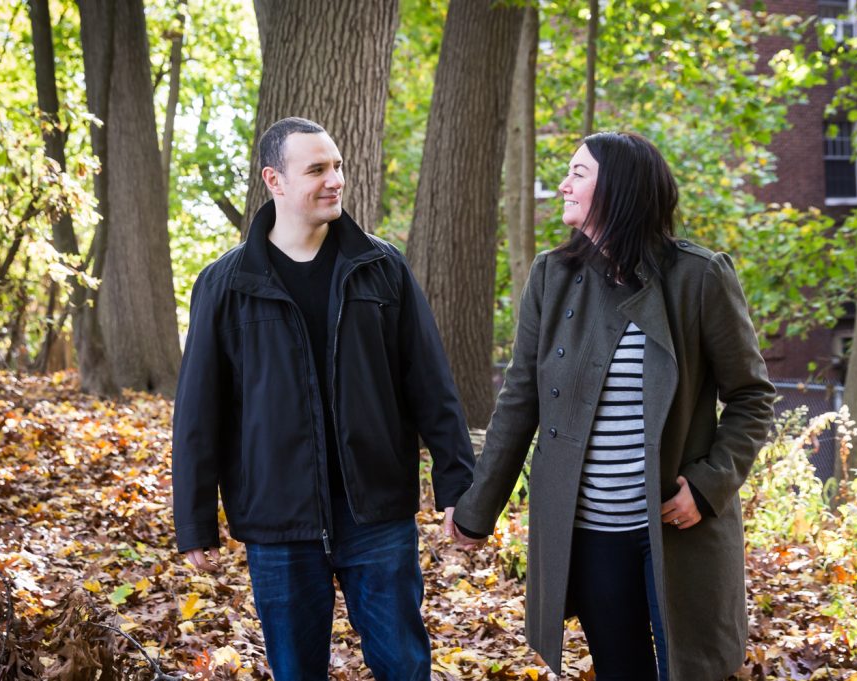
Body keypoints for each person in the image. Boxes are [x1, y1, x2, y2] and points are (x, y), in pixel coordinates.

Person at [451, 132, 775, 681]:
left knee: (690, 670)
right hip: (589, 532)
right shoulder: (552, 277)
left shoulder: (699, 276)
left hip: (676, 529)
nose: (563, 184)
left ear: (618, 187)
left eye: (578, 172)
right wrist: (477, 509)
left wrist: (708, 484)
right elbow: (519, 400)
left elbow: (752, 397)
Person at [172, 116, 475, 681]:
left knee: (404, 666)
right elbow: (198, 412)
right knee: (296, 672)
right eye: (316, 169)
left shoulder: (382, 269)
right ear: (275, 181)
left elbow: (431, 386)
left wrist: (458, 484)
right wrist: (194, 521)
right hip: (278, 520)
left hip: (377, 513)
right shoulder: (225, 283)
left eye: (336, 166)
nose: (334, 179)